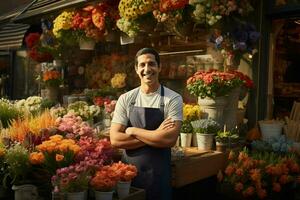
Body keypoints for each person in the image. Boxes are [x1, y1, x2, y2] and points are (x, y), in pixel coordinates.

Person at [110, 47, 183, 200]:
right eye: (142, 65)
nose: (147, 69)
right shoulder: (126, 99)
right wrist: (156, 135)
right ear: (136, 69)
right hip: (129, 175)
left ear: (159, 67)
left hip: (159, 175)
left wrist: (133, 130)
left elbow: (169, 139)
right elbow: (115, 139)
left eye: (151, 64)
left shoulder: (173, 99)